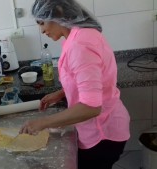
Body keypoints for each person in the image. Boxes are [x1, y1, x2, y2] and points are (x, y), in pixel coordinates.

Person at [20, 0, 130, 169]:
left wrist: (43, 122)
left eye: (42, 23)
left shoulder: (80, 45)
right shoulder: (79, 35)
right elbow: (88, 79)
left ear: (57, 13)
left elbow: (91, 107)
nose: (42, 30)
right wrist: (62, 93)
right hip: (101, 127)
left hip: (102, 134)